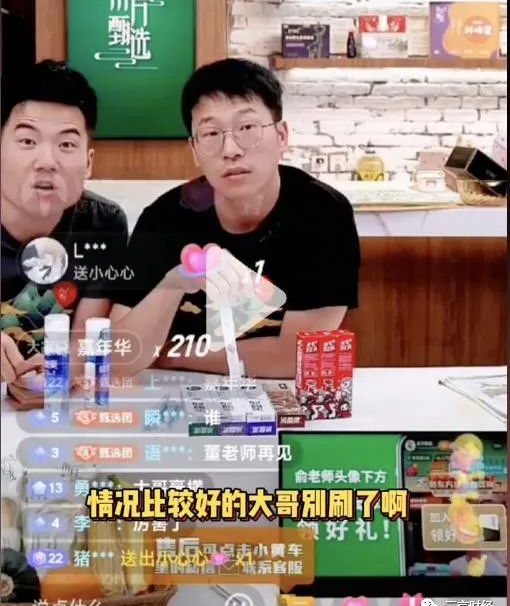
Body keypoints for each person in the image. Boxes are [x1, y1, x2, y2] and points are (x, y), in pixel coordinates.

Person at [110, 58, 360, 379]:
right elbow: (120, 353)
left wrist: (164, 353)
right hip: (174, 396)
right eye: (211, 133)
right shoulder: (164, 219)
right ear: (194, 149)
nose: (231, 149)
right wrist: (174, 283)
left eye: (247, 128)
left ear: (282, 136)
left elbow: (296, 356)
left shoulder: (322, 213)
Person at [1, 60, 128, 389]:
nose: (47, 162)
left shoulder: (102, 223)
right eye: (27, 142)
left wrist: (62, 373)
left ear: (88, 162)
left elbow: (85, 338)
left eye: (67, 145)